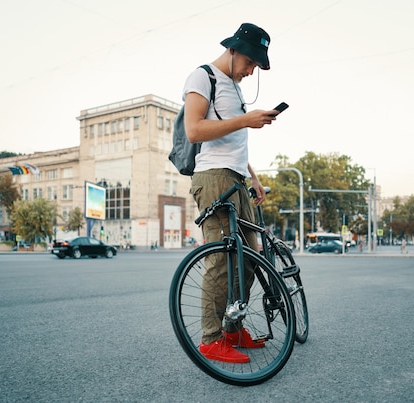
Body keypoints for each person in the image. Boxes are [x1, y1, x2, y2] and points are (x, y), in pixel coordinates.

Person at [182, 23, 279, 364]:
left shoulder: (235, 88)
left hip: (237, 178)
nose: (252, 70)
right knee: (222, 259)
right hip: (213, 178)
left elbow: (234, 143)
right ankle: (211, 339)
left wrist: (253, 177)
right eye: (251, 61)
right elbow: (194, 130)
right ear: (234, 49)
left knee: (251, 260)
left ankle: (232, 328)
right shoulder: (202, 77)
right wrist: (245, 120)